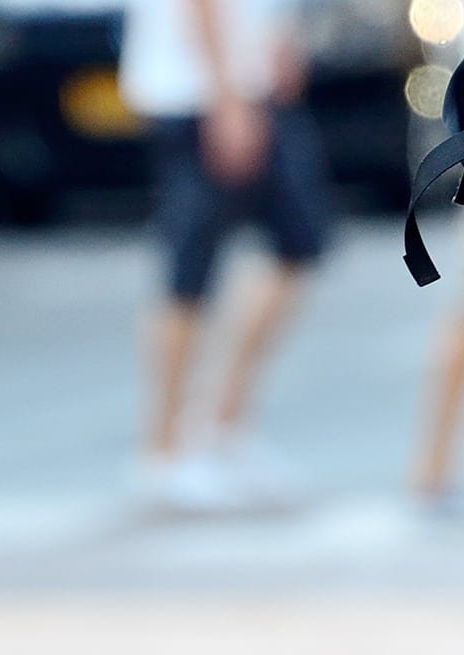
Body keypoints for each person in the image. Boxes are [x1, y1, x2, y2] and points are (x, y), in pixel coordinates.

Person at [122, 0, 329, 511]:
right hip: (200, 97)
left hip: (246, 90)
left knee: (298, 245)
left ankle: (221, 427)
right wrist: (226, 97)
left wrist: (279, 42)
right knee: (188, 277)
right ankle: (162, 453)